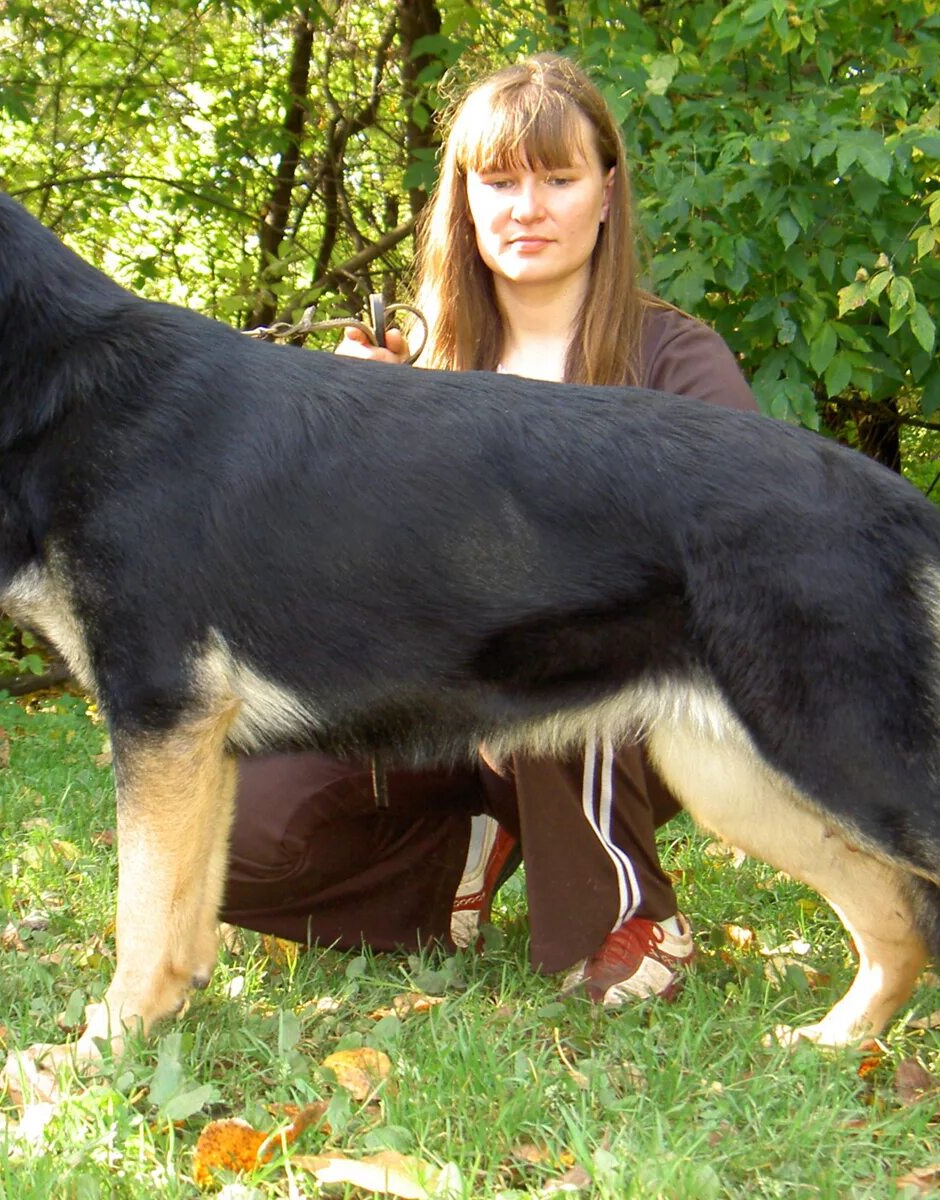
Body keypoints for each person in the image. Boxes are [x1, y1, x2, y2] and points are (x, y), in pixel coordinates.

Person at [218, 53, 758, 1006]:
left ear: (607, 192)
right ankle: (452, 865)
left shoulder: (675, 357)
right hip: (433, 710)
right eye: (499, 181)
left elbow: (732, 559)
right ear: (463, 198)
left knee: (548, 638)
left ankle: (631, 911)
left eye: (558, 178)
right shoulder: (418, 357)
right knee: (236, 838)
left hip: (622, 716)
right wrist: (348, 431)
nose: (527, 207)